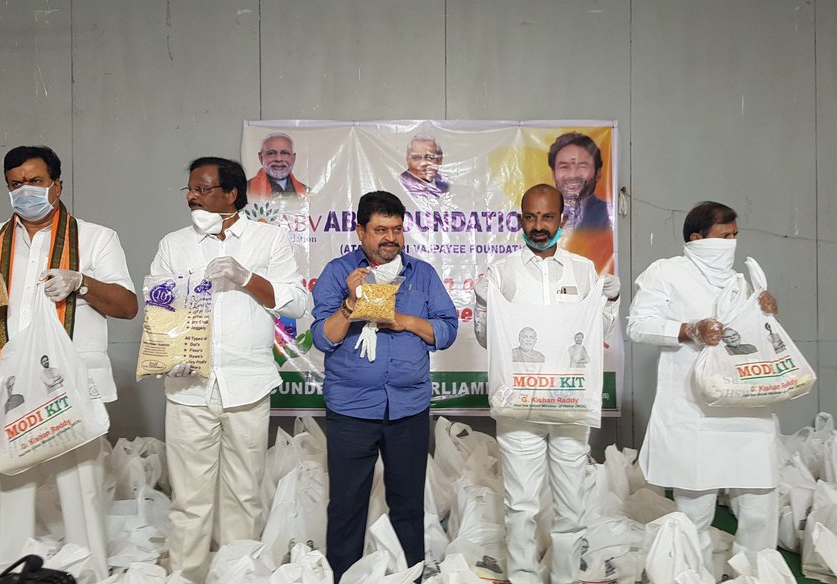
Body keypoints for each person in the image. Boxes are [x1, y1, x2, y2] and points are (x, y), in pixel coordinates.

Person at [0, 145, 137, 579]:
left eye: (35, 181)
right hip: (7, 383)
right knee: (9, 488)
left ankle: (87, 571)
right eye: (16, 184)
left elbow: (127, 306)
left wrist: (81, 283)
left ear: (57, 185)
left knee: (80, 487)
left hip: (69, 385)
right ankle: (9, 570)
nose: (25, 190)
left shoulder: (95, 237)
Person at [151, 156, 308, 583]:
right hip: (188, 386)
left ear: (231, 193)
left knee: (243, 493)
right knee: (189, 498)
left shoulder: (267, 239)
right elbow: (159, 306)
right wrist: (169, 350)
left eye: (202, 189)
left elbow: (296, 302)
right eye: (189, 189)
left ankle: (239, 574)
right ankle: (187, 575)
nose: (192, 197)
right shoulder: (174, 243)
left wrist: (245, 276)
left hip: (247, 385)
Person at [473, 183, 621, 584]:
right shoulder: (502, 272)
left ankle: (565, 577)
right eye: (530, 217)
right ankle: (523, 577)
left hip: (570, 405)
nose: (538, 226)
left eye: (547, 217)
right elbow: (488, 339)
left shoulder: (583, 271)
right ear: (520, 219)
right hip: (519, 406)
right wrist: (484, 305)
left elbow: (595, 334)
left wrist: (609, 301)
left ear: (563, 219)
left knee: (571, 504)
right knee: (521, 504)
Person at [626, 201, 780, 575]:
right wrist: (687, 329)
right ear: (696, 239)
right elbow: (637, 324)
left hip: (745, 409)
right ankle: (690, 576)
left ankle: (756, 576)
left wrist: (767, 314)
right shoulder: (666, 273)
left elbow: (751, 339)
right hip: (693, 410)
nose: (731, 244)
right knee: (695, 512)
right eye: (723, 237)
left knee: (761, 501)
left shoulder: (742, 282)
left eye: (735, 237)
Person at [310, 190, 457, 580]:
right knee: (346, 505)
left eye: (396, 229)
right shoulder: (337, 273)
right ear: (360, 231)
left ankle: (412, 575)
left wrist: (404, 320)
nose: (390, 237)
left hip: (408, 407)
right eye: (380, 229)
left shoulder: (421, 274)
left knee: (408, 504)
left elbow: (447, 330)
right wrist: (349, 304)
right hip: (351, 408)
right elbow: (322, 338)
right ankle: (344, 577)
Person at [548, 132, 611, 230]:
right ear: (553, 174)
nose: (573, 175)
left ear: (598, 173)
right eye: (564, 167)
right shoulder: (541, 214)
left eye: (582, 166)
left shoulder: (609, 215)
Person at [247, 132, 309, 198]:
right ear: (261, 157)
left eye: (285, 153)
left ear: (293, 158)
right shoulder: (246, 189)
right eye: (271, 153)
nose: (278, 159)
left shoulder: (307, 193)